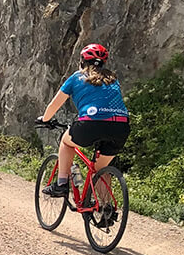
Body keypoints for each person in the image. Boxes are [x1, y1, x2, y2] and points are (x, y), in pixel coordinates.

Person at [38, 43, 130, 197]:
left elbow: (55, 104)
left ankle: (61, 184)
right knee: (99, 170)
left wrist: (45, 119)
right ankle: (106, 209)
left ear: (82, 61)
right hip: (121, 127)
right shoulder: (113, 79)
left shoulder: (77, 77)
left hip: (91, 124)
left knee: (66, 142)